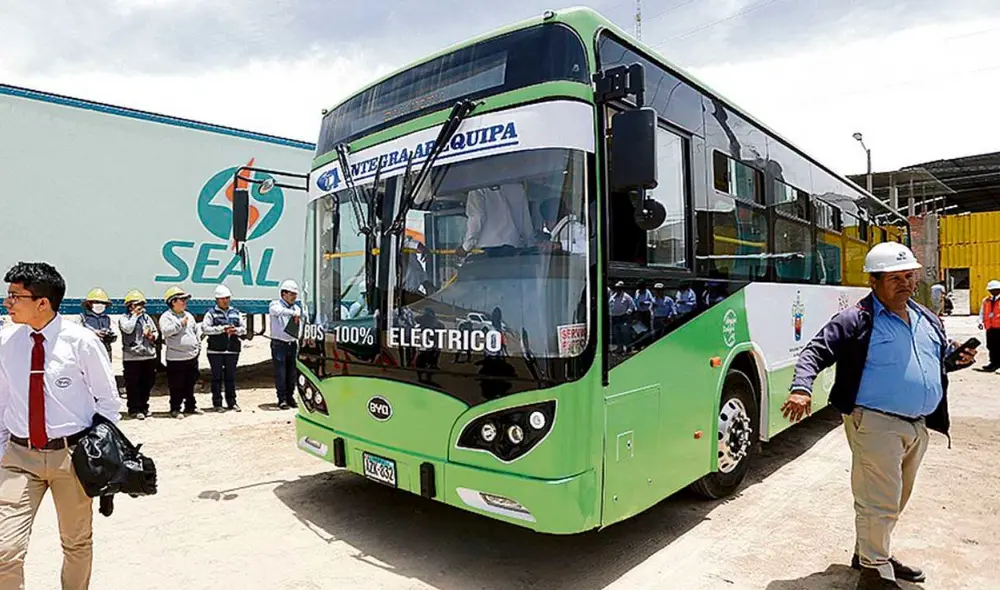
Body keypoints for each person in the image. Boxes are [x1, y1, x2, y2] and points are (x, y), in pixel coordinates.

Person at [781, 242, 977, 590]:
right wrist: (801, 388)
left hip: (917, 425)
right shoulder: (856, 319)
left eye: (909, 276)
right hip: (874, 422)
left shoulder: (926, 319)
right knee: (880, 497)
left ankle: (869, 552)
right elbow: (815, 351)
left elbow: (931, 358)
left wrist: (953, 359)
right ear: (874, 281)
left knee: (895, 497)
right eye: (894, 277)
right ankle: (873, 572)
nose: (905, 283)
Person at [0, 262, 121, 589]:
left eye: (15, 296)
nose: (7, 302)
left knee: (76, 542)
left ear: (43, 302)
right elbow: (2, 403)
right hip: (19, 458)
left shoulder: (81, 342)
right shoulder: (6, 342)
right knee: (4, 549)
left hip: (71, 458)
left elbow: (107, 402)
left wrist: (99, 455)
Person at [455, 183, 535, 261]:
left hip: (488, 251)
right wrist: (530, 245)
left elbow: (477, 218)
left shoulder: (478, 188)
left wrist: (466, 247)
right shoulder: (518, 188)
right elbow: (526, 222)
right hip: (513, 250)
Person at [159, 287, 203, 419]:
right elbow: (165, 332)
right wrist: (180, 324)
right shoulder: (166, 317)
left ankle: (190, 406)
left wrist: (197, 347)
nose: (185, 302)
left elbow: (195, 332)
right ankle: (175, 408)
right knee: (176, 385)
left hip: (191, 357)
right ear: (173, 301)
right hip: (176, 358)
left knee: (190, 383)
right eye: (182, 299)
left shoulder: (188, 315)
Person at [202, 285, 246, 412]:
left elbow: (243, 328)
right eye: (222, 299)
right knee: (216, 378)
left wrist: (235, 330)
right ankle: (217, 403)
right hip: (215, 350)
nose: (225, 301)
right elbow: (205, 329)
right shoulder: (210, 313)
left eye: (227, 298)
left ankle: (232, 402)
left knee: (230, 377)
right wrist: (221, 329)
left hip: (232, 350)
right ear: (217, 300)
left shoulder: (236, 312)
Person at [118, 289, 158, 420]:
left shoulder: (147, 318)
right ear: (130, 306)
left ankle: (144, 407)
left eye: (142, 304)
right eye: (137, 304)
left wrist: (152, 336)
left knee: (147, 382)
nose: (140, 307)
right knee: (133, 383)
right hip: (132, 356)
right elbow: (127, 329)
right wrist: (135, 316)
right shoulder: (124, 319)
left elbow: (155, 332)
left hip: (148, 355)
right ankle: (134, 409)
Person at [270, 280, 303, 410]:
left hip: (292, 343)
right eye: (292, 294)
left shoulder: (296, 308)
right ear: (284, 294)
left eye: (295, 294)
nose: (294, 297)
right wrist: (293, 313)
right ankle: (281, 399)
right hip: (279, 344)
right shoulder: (275, 304)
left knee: (292, 373)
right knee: (280, 372)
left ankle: (290, 397)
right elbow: (277, 311)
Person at [79, 288, 117, 359]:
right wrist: (94, 333)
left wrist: (110, 337)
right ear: (89, 303)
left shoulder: (106, 319)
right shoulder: (82, 318)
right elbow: (78, 333)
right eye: (96, 302)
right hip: (88, 351)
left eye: (103, 303)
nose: (100, 304)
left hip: (105, 351)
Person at [978, 279, 1000, 372]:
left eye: (994, 289)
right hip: (990, 327)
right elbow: (982, 312)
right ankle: (993, 363)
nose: (992, 291)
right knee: (991, 345)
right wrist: (980, 322)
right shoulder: (986, 300)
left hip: (999, 327)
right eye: (991, 290)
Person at [609, 281, 636, 352]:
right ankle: (619, 348)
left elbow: (632, 305)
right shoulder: (612, 297)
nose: (617, 289)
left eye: (619, 288)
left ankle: (628, 348)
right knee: (616, 333)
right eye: (616, 288)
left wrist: (628, 312)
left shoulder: (627, 296)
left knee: (625, 333)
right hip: (614, 317)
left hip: (623, 317)